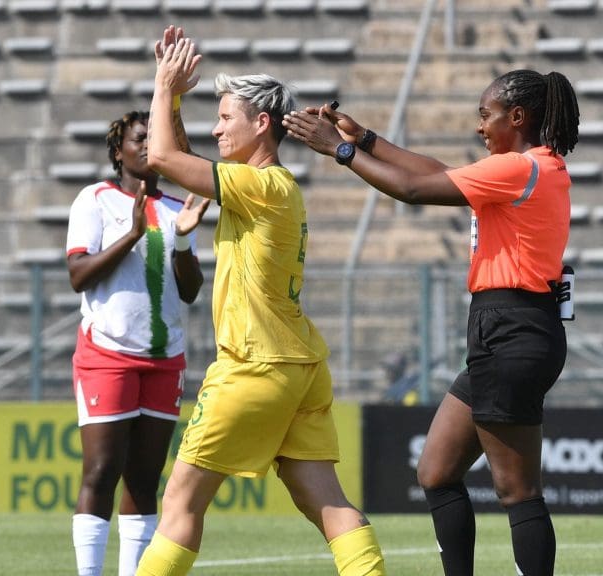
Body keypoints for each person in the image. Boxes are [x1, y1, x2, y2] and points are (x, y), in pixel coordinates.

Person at [283, 69, 579, 576]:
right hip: (507, 330)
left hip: (511, 331)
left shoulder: (518, 169)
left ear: (517, 116)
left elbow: (415, 189)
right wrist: (367, 139)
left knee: (518, 492)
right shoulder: (530, 168)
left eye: (485, 116)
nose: (480, 127)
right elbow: (437, 171)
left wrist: (341, 150)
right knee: (437, 472)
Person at [135, 28, 387, 576]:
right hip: (299, 366)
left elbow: (159, 156)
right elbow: (183, 157)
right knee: (325, 502)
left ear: (262, 124)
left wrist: (161, 86)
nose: (216, 127)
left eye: (226, 118)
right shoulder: (268, 185)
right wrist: (174, 100)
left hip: (253, 366)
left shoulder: (260, 186)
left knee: (179, 503)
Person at [65, 95, 210, 575]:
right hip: (107, 354)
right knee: (102, 472)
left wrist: (186, 239)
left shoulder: (175, 207)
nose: (149, 145)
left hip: (165, 357)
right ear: (119, 152)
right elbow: (79, 275)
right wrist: (129, 235)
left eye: (155, 137)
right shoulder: (95, 199)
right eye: (139, 138)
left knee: (145, 480)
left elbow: (190, 291)